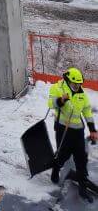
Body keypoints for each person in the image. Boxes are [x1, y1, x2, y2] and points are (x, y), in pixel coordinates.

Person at [48, 67, 97, 199]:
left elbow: (87, 111)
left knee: (81, 159)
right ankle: (56, 168)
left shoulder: (82, 95)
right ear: (68, 80)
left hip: (78, 130)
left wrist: (92, 129)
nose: (77, 86)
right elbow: (51, 103)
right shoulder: (58, 88)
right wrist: (61, 100)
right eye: (74, 84)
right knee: (62, 154)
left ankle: (82, 188)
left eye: (79, 84)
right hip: (63, 128)